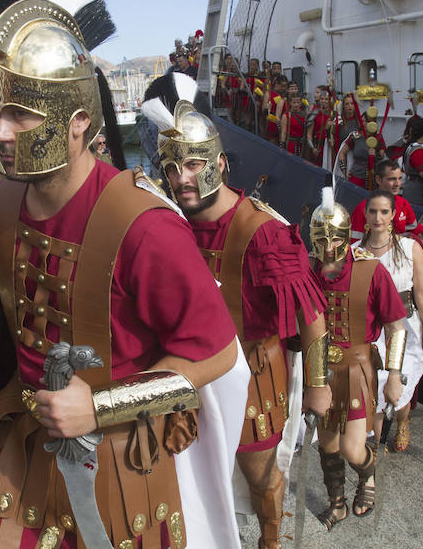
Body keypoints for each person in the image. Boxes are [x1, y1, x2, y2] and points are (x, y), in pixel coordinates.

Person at [0, 0, 249, 547]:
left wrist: (100, 407)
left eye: (20, 115)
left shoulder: (144, 227)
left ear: (77, 121)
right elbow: (17, 289)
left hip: (114, 458)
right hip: (20, 435)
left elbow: (217, 353)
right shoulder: (5, 198)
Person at [142, 75, 331, 549]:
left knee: (261, 478)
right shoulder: (169, 223)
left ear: (220, 163)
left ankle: (270, 541)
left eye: (193, 164)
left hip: (252, 377)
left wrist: (318, 384)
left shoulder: (264, 232)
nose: (181, 179)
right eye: (172, 168)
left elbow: (312, 316)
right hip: (188, 372)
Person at [308, 184, 408, 530]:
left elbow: (396, 326)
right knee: (327, 445)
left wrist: (393, 374)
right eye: (322, 240)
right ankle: (337, 504)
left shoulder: (371, 270)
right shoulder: (309, 270)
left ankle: (367, 475)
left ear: (346, 235)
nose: (329, 248)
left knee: (352, 448)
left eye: (335, 239)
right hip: (321, 369)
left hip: (356, 368)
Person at [353, 190, 423, 452]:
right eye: (373, 211)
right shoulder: (354, 251)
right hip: (371, 330)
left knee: (400, 386)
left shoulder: (410, 249)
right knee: (376, 386)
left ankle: (403, 421)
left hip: (405, 328)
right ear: (365, 214)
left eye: (384, 212)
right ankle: (374, 444)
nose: (378, 217)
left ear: (393, 214)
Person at [350, 159, 423, 241]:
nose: (397, 184)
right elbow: (355, 243)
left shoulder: (403, 204)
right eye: (392, 179)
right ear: (378, 179)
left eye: (399, 178)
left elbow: (417, 231)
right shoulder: (363, 208)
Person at [336, 105, 385, 189]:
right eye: (362, 121)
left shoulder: (378, 137)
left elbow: (382, 156)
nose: (364, 124)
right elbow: (342, 153)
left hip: (373, 176)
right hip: (357, 175)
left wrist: (374, 155)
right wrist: (344, 170)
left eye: (367, 121)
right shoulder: (355, 136)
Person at [305, 84, 332, 167]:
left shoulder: (334, 114)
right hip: (318, 146)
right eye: (322, 99)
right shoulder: (315, 114)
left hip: (330, 147)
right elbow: (309, 134)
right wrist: (313, 148)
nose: (324, 101)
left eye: (326, 99)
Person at [262, 75, 287, 145]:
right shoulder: (269, 94)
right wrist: (267, 107)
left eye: (285, 86)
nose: (283, 88)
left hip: (284, 122)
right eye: (281, 86)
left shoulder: (286, 95)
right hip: (272, 121)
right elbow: (263, 109)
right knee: (273, 144)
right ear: (276, 84)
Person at [279, 93, 306, 157]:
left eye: (298, 102)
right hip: (291, 144)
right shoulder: (286, 115)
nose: (296, 104)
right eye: (294, 102)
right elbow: (283, 132)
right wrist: (282, 144)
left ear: (301, 103)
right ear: (290, 103)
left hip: (302, 144)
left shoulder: (305, 115)